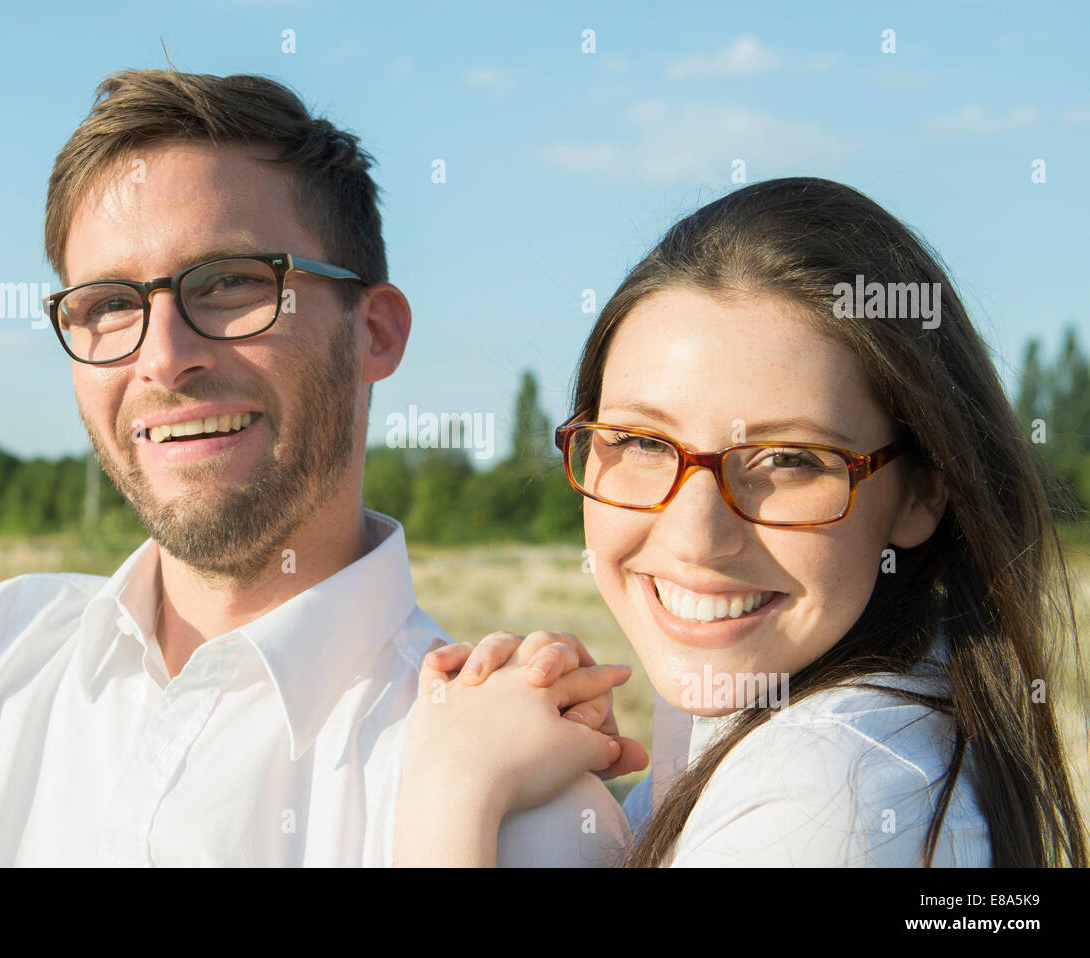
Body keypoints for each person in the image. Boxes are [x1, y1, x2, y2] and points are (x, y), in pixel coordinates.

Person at [0, 69, 641, 866]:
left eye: (231, 283)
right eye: (109, 304)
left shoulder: (517, 809)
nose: (163, 358)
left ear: (374, 332)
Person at [394, 177, 1088, 867]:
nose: (696, 535)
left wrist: (447, 792)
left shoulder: (827, 799)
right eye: (639, 441)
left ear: (921, 495)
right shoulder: (780, 731)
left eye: (789, 458)